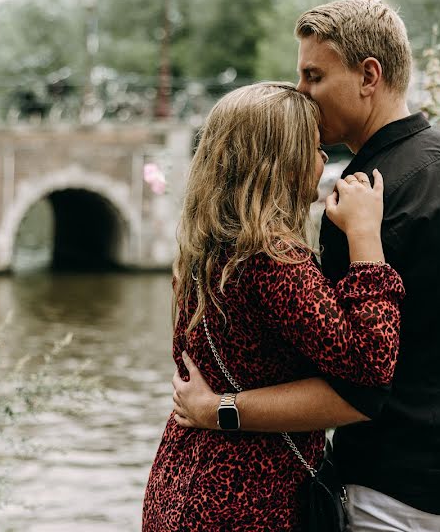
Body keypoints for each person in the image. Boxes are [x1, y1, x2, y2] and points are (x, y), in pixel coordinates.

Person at [172, 0, 440, 531]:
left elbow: (353, 386)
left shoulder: (355, 204)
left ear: (368, 76)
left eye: (314, 75)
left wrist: (220, 409)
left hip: (389, 485)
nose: (303, 93)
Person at [142, 81, 406, 530]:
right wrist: (365, 237)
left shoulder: (204, 250)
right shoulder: (272, 260)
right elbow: (370, 360)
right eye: (314, 147)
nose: (324, 160)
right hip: (244, 499)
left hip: (179, 479)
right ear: (281, 163)